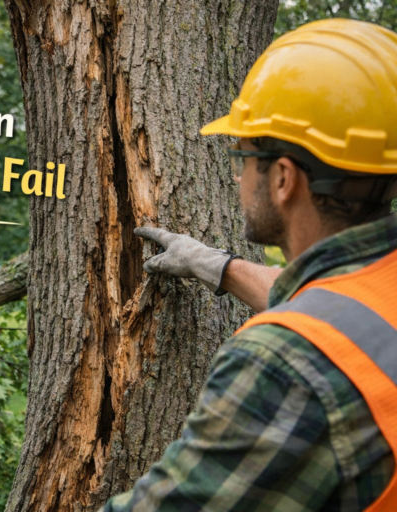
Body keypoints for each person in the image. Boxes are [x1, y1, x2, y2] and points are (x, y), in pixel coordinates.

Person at [100, 18, 397, 512]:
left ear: (283, 179)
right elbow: (348, 313)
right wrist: (216, 265)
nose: (238, 177)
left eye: (242, 157)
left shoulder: (282, 363)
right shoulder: (372, 295)